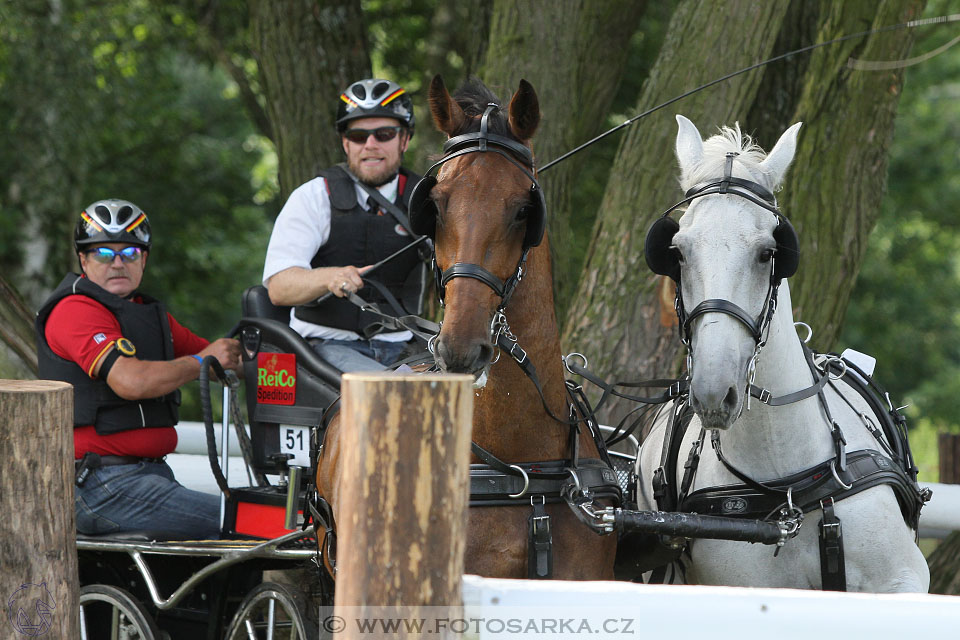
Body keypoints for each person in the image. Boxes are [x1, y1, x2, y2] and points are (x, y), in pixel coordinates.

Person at [35, 199, 241, 539]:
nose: (117, 263)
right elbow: (130, 382)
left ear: (143, 259)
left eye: (129, 253)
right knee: (246, 523)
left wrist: (270, 357)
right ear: (83, 260)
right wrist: (202, 362)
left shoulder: (148, 315)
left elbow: (219, 359)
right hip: (101, 488)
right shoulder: (74, 310)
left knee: (248, 524)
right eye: (103, 253)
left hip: (151, 477)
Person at [262, 78, 427, 372]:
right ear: (345, 142)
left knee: (462, 396)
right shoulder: (313, 197)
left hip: (407, 348)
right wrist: (330, 278)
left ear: (405, 139)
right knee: (391, 398)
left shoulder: (427, 200)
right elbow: (278, 287)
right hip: (325, 348)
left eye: (384, 134)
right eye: (358, 135)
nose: (370, 145)